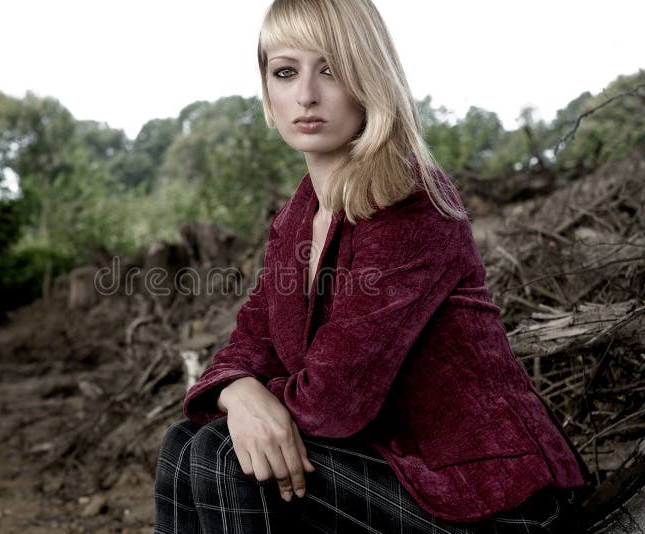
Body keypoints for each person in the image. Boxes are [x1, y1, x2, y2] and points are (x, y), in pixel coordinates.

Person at [154, 0, 590, 532]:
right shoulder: (297, 217)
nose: (306, 95)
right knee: (183, 445)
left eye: (331, 69)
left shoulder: (409, 200)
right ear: (267, 89)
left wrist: (248, 400)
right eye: (285, 72)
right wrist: (236, 390)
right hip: (391, 469)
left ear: (369, 78)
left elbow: (332, 402)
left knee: (227, 456)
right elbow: (249, 341)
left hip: (486, 497)